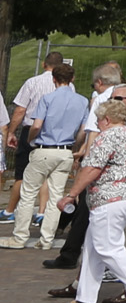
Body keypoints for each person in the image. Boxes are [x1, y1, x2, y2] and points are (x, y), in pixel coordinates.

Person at [52, 95, 126, 303]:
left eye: (99, 120)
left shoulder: (106, 137)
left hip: (110, 197)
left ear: (107, 120)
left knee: (107, 246)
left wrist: (71, 194)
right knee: (92, 247)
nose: (97, 125)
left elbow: (92, 169)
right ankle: (85, 297)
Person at [2, 61, 86, 252]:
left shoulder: (47, 99)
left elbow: (37, 125)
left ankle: (20, 236)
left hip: (45, 147)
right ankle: (47, 239)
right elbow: (82, 131)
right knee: (56, 195)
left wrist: (31, 140)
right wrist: (75, 146)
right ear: (72, 79)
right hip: (65, 150)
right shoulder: (81, 101)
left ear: (54, 79)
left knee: (28, 193)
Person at [3, 50, 63, 222]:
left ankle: (10, 211)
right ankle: (42, 212)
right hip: (55, 132)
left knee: (22, 173)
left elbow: (21, 109)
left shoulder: (33, 82)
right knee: (46, 173)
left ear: (44, 64)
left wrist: (12, 131)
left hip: (32, 129)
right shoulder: (67, 86)